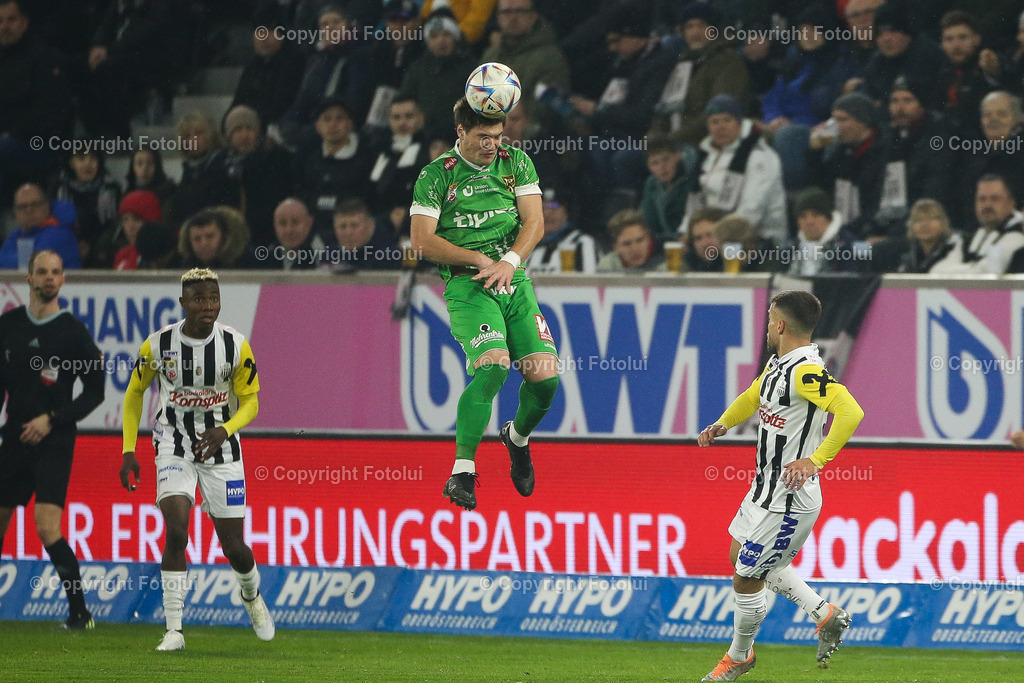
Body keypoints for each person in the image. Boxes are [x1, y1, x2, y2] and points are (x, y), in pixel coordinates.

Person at [698, 290, 863, 680]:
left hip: (790, 498)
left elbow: (850, 411)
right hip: (764, 489)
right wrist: (723, 423)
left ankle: (739, 656)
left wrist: (814, 460)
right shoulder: (779, 364)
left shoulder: (806, 371)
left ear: (781, 324)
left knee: (747, 575)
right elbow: (754, 395)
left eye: (771, 319)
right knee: (740, 552)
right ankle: (825, 615)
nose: (768, 326)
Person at [410, 97, 558, 511]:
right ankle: (461, 470)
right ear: (460, 132)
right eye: (482, 137)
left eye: (497, 136)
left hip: (513, 279)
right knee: (493, 365)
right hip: (469, 285)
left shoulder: (516, 163)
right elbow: (422, 242)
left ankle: (517, 438)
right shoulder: (436, 176)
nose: (492, 145)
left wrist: (510, 261)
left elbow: (535, 222)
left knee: (545, 380)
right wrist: (478, 259)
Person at [119, 268, 275, 651]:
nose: (208, 306)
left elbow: (251, 401)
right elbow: (134, 393)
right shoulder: (157, 345)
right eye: (200, 299)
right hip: (173, 443)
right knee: (176, 529)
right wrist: (128, 450)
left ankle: (251, 596)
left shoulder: (236, 345)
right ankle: (174, 629)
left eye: (213, 298)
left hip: (222, 449)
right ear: (183, 303)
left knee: (234, 547)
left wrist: (226, 429)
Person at [0, 250, 105, 629]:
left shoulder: (72, 332)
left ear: (63, 280)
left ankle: (80, 613)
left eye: (56, 272)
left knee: (47, 526)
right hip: (14, 436)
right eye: (41, 272)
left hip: (54, 438)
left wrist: (53, 419)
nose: (49, 278)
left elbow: (96, 392)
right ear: (27, 278)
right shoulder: (8, 326)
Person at [685, 95, 788, 245]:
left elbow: (751, 210)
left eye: (727, 120)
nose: (721, 127)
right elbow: (693, 206)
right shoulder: (705, 156)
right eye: (715, 122)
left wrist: (718, 237)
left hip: (757, 242)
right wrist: (686, 233)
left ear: (739, 123)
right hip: (712, 238)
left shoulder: (759, 155)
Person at [933, 174, 1024, 275]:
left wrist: (960, 269)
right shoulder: (968, 240)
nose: (987, 205)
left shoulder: (1018, 236)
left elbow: (987, 272)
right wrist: (972, 268)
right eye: (982, 199)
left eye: (995, 199)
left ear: (1011, 203)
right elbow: (936, 271)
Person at [54, 148, 121, 267]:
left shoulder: (112, 188)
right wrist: (74, 245)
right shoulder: (58, 189)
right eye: (81, 159)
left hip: (104, 250)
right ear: (72, 163)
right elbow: (55, 223)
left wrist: (99, 247)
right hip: (69, 247)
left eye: (93, 159)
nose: (88, 164)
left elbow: (116, 224)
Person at [0, 183, 81, 269]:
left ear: (46, 206)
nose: (29, 211)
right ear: (15, 212)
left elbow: (32, 264)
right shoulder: (15, 236)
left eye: (35, 204)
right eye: (22, 207)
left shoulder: (61, 235)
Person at [524, 188, 600, 274]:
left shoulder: (582, 243)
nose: (547, 213)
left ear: (566, 211)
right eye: (542, 207)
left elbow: (588, 283)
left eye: (554, 206)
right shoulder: (525, 245)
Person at [325, 198, 400, 271]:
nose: (348, 233)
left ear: (370, 226)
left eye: (354, 225)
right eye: (343, 226)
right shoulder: (329, 256)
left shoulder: (389, 256)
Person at [898, 199, 963, 273]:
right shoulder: (907, 256)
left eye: (931, 218)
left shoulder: (956, 250)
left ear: (943, 222)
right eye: (918, 220)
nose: (924, 225)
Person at [264, 198, 327, 270]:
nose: (289, 230)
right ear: (274, 226)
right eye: (283, 223)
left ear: (309, 223)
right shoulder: (268, 255)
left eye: (295, 222)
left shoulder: (325, 255)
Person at [596, 209, 666, 273]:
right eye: (627, 244)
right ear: (616, 247)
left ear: (649, 239)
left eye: (640, 240)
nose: (635, 249)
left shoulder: (668, 262)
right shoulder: (608, 266)